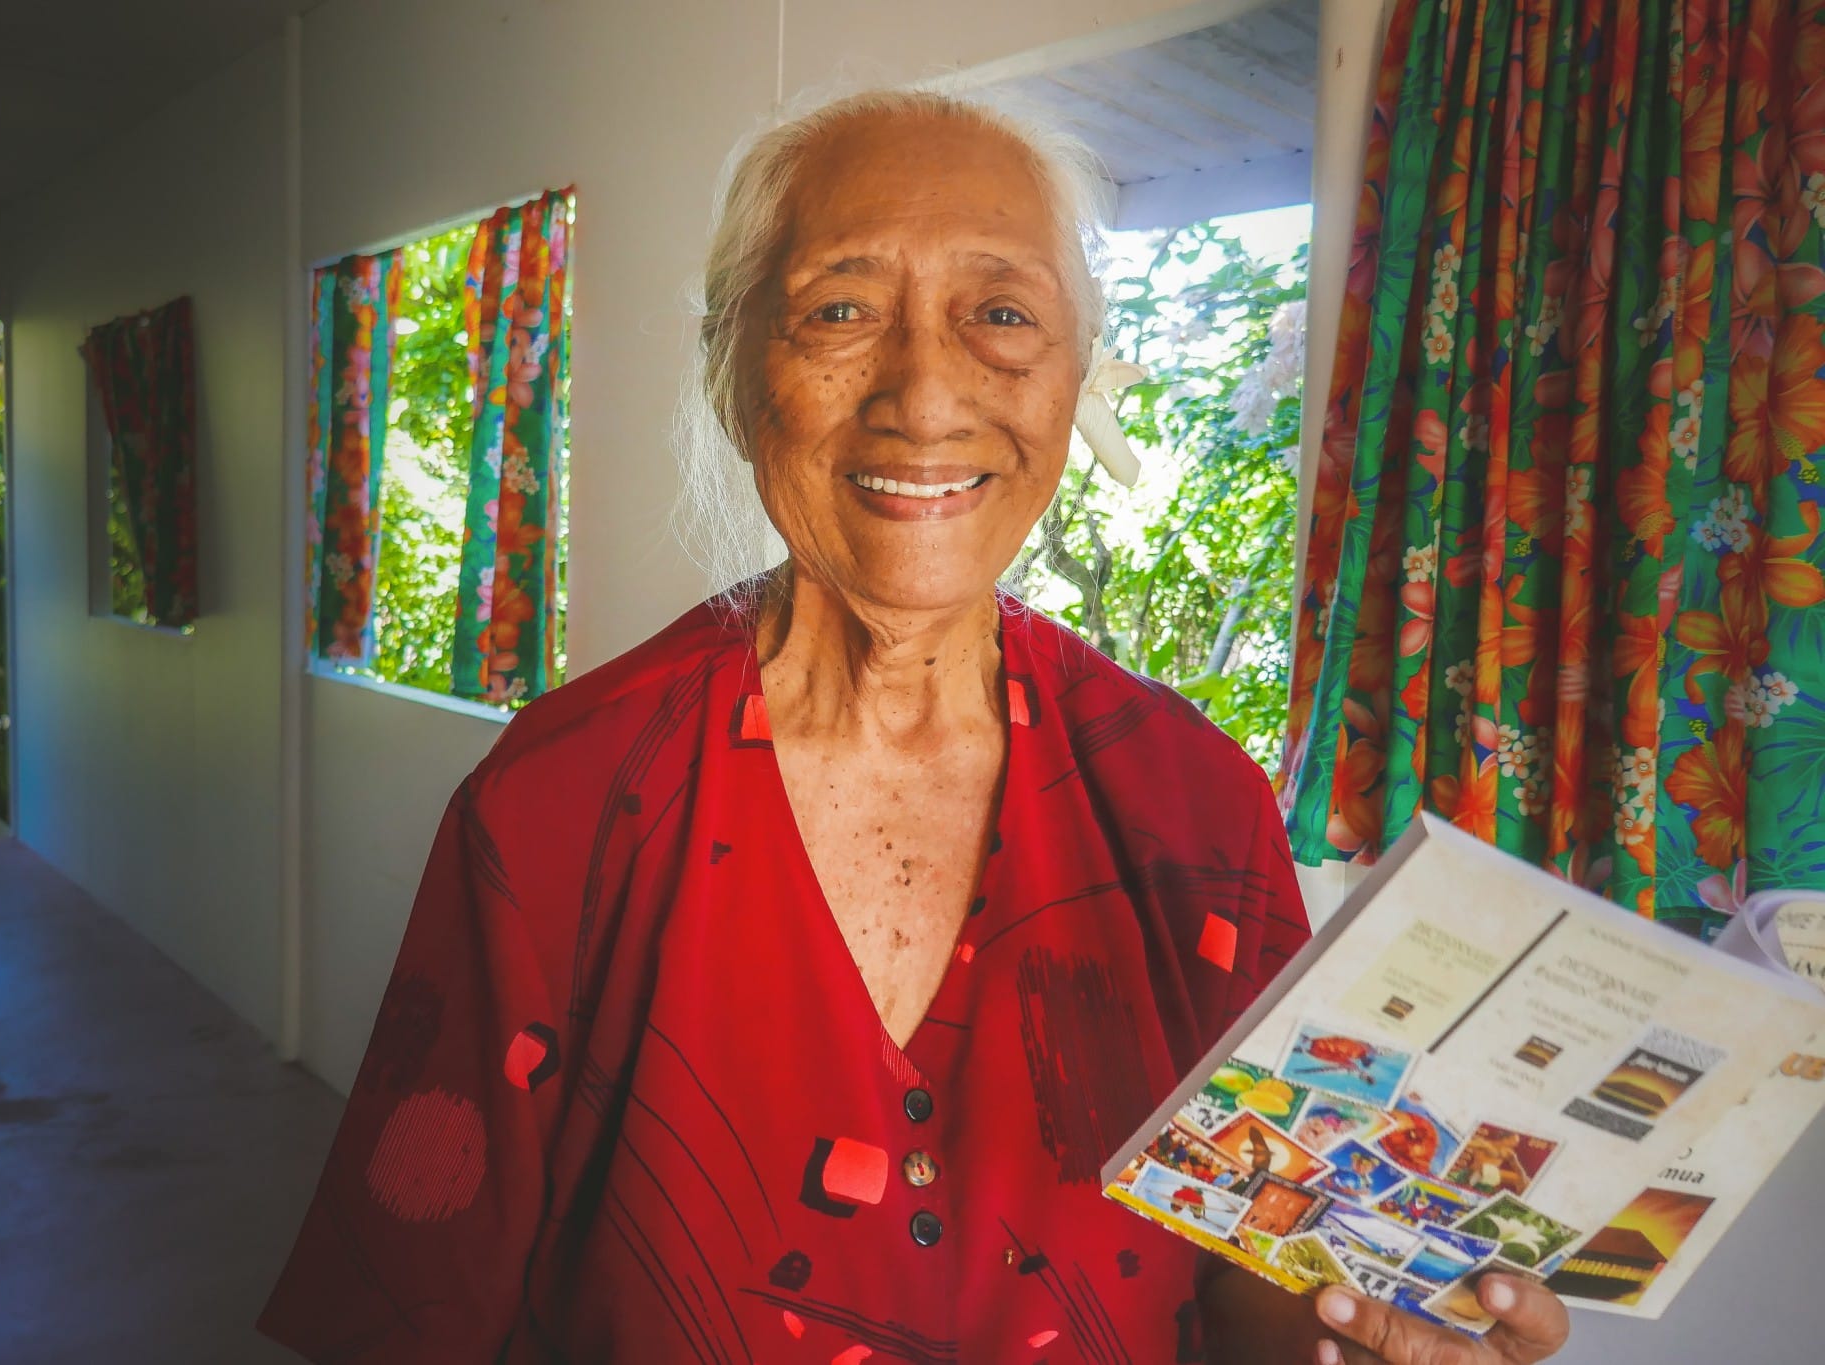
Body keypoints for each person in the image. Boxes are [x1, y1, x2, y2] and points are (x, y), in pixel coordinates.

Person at [257, 88, 1571, 1365]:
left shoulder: (1191, 807)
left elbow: (1247, 1289)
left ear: (1070, 383)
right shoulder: (561, 801)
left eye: (1001, 315)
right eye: (839, 310)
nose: (926, 393)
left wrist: (1364, 1338)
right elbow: (410, 1311)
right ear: (732, 367)